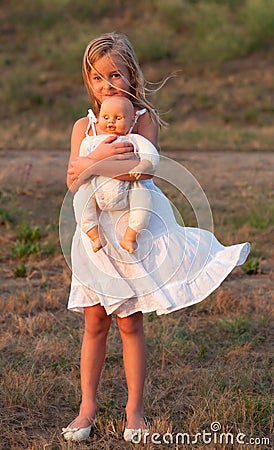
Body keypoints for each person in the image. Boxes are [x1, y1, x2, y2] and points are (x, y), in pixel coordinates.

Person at [61, 32, 250, 443]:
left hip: (132, 233)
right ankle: (86, 408)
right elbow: (73, 181)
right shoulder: (83, 125)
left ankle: (135, 411)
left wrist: (91, 163)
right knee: (94, 322)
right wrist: (99, 160)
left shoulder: (142, 118)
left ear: (131, 73)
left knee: (129, 323)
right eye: (97, 78)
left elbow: (141, 170)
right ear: (87, 82)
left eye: (115, 75)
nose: (107, 85)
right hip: (95, 237)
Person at [76, 96, 159, 254]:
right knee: (81, 199)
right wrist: (91, 162)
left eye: (118, 118)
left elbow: (150, 155)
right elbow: (79, 166)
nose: (111, 122)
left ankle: (130, 236)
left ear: (130, 121)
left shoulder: (133, 139)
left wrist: (144, 163)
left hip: (129, 187)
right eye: (105, 117)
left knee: (142, 200)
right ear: (98, 117)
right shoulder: (90, 142)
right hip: (96, 187)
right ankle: (93, 235)